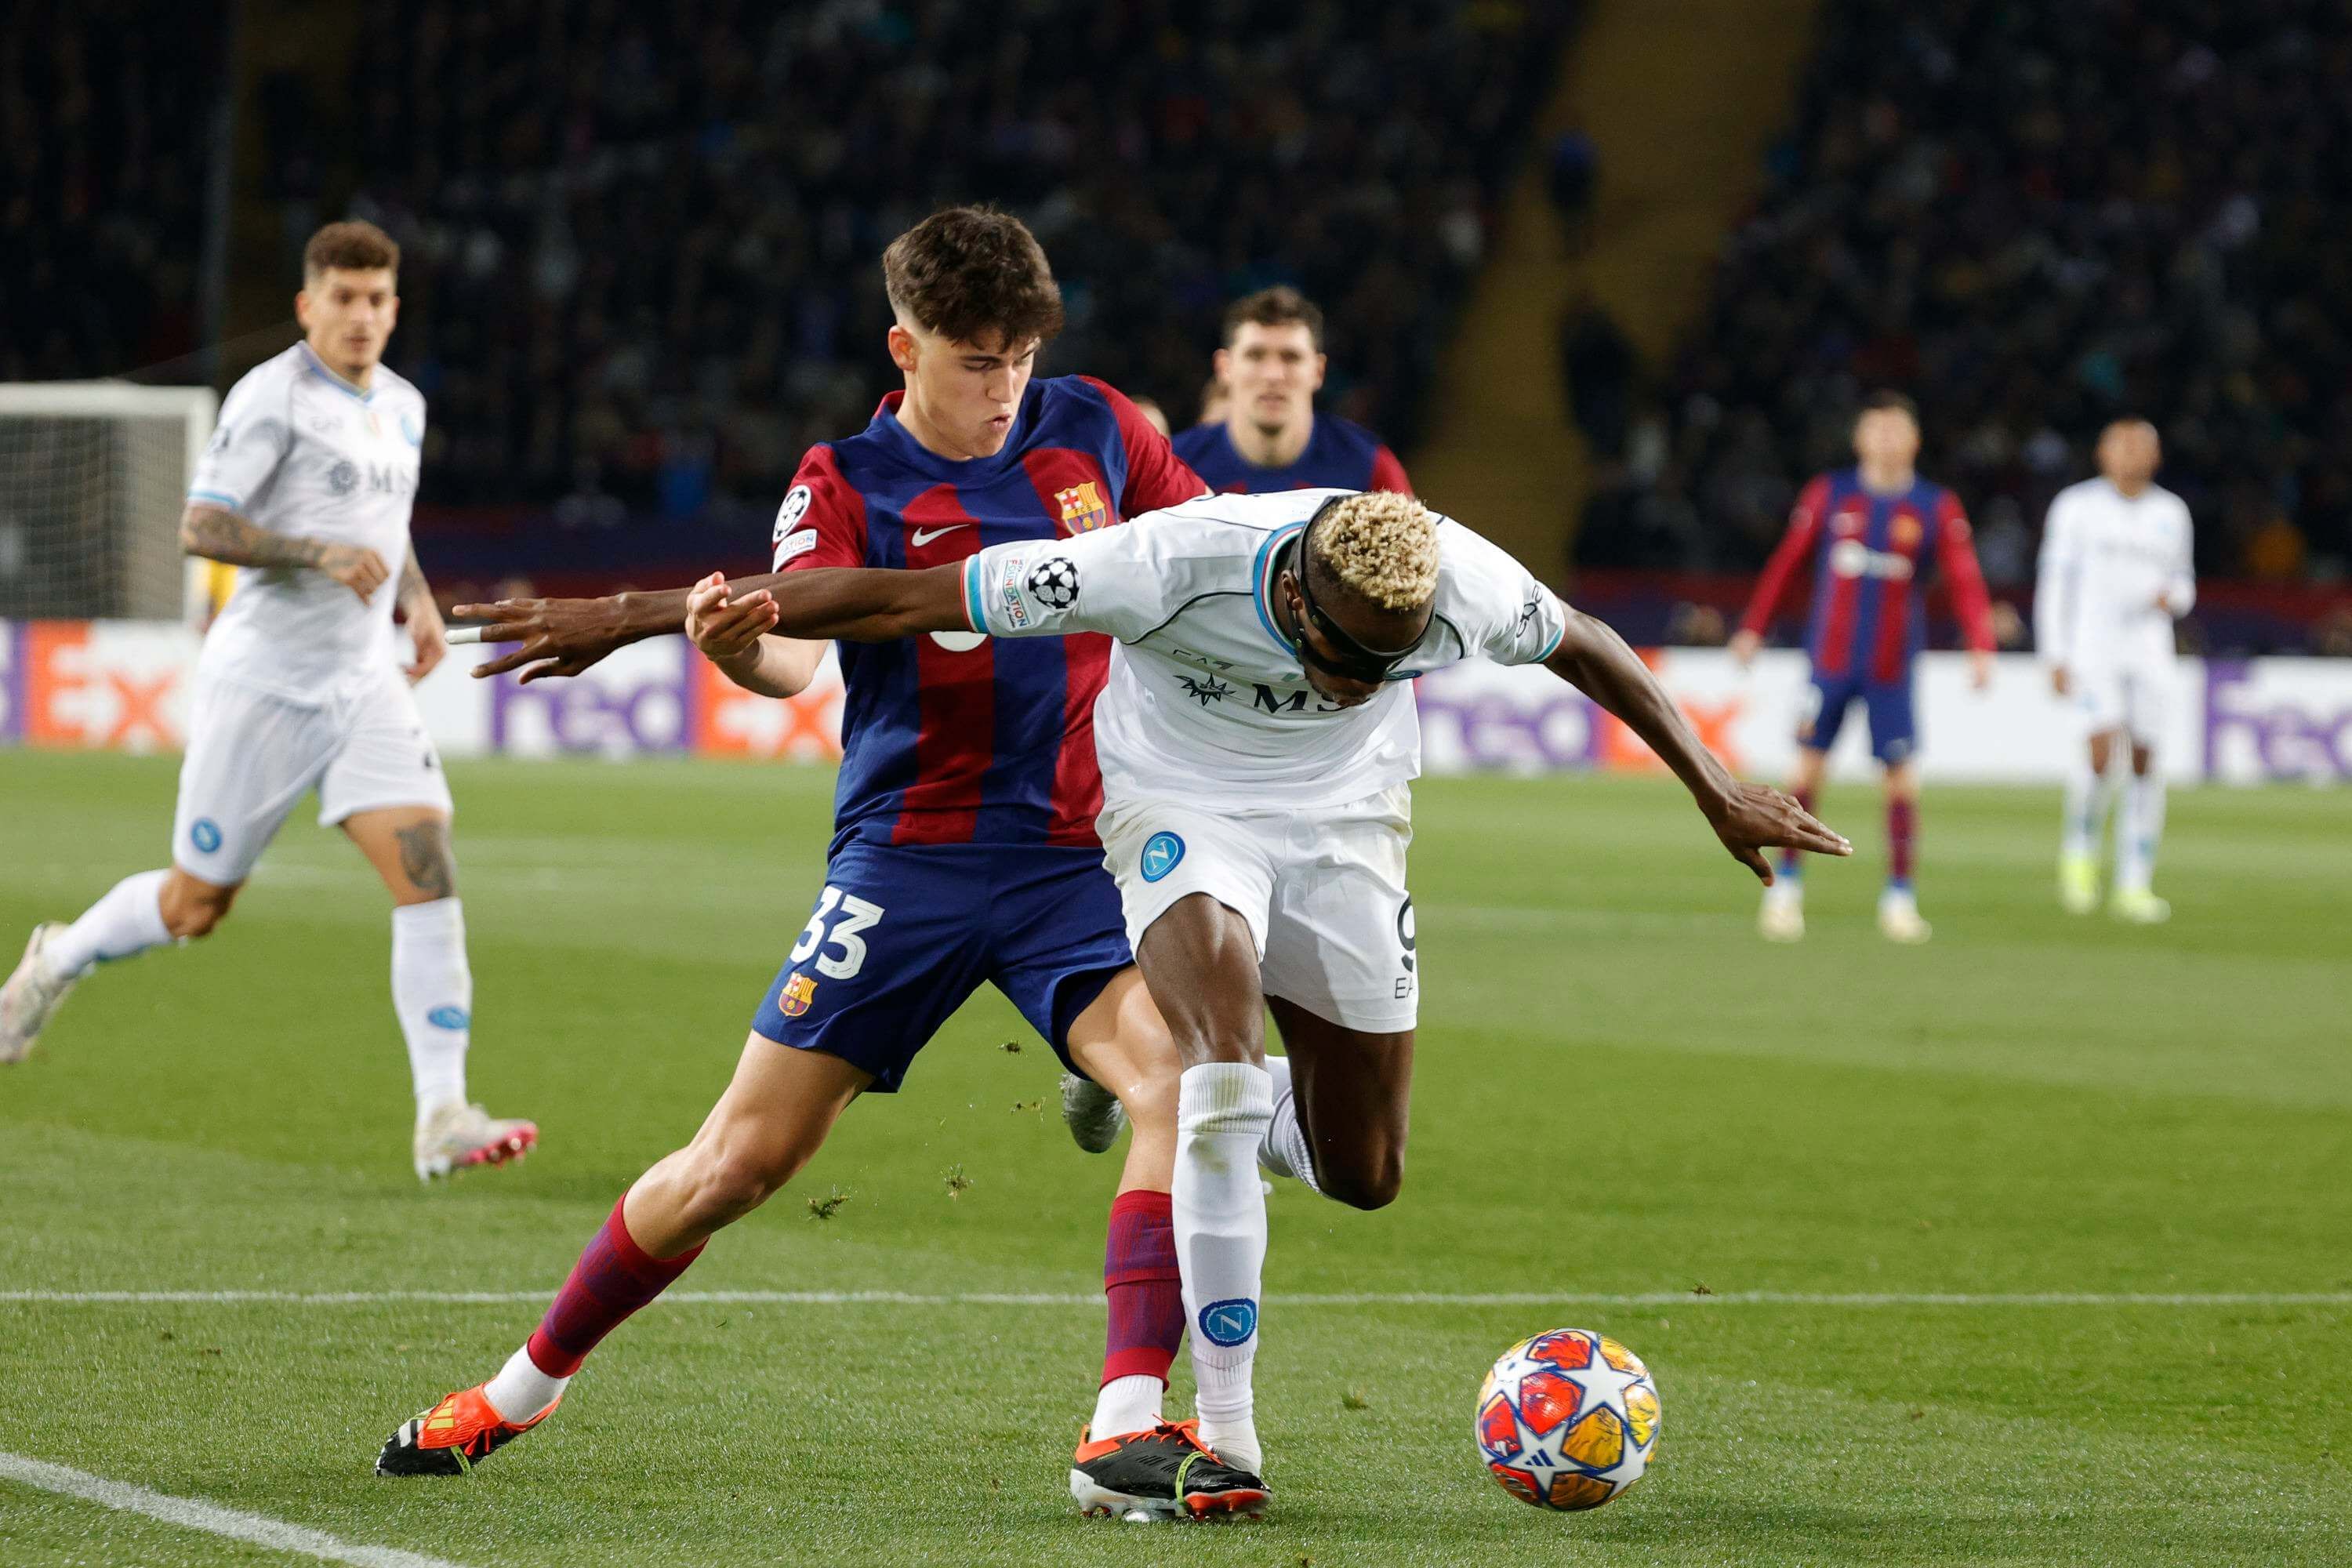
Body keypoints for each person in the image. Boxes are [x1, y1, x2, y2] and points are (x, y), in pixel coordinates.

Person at [669, 485, 1847, 1488]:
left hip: (1348, 831)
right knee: (1220, 1074)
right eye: (1340, 660)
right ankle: (1225, 1434)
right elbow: (905, 598)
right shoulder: (1168, 562)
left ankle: (1121, 1074)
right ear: (1291, 601)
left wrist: (1715, 789)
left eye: (1386, 666)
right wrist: (640, 616)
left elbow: (1584, 639)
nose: (1356, 681)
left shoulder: (1459, 582)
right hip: (1180, 808)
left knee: (1365, 1172)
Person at [375, 207, 1270, 1520]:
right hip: (904, 865)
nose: (1003, 385)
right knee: (736, 1165)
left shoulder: (1100, 429)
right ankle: (523, 1387)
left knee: (1185, 1084)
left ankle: (1125, 1423)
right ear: (902, 346)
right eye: (975, 359)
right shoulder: (842, 481)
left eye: (1019, 354)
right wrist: (724, 640)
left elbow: (1202, 559)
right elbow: (788, 657)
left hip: (1079, 860)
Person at [0, 220, 536, 1181]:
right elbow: (199, 525)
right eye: (343, 297)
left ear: (396, 306)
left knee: (428, 871)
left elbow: (385, 518)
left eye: (378, 299)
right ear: (307, 304)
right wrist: (316, 553)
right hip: (265, 687)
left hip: (361, 682)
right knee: (196, 903)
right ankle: (58, 957)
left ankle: (442, 1112)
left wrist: (411, 596)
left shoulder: (404, 406)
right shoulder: (272, 399)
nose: (362, 315)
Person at [1730, 392, 1993, 942]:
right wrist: (1755, 625)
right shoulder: (1831, 495)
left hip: (1891, 669)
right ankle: (1786, 893)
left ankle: (1899, 900)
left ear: (1915, 441)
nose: (1887, 441)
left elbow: (1964, 578)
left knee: (1899, 783)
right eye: (1877, 431)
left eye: (1897, 431)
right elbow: (1787, 562)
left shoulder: (1933, 506)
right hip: (1829, 663)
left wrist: (1981, 643)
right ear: (1860, 438)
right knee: (1804, 775)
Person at [2034, 419, 2194, 923]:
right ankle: (2079, 853)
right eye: (2121, 446)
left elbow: (2184, 581)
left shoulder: (2171, 512)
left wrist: (2177, 598)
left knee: (2146, 758)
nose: (2130, 455)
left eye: (2141, 447)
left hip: (2149, 649)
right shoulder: (2077, 507)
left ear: (2156, 455)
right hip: (2093, 648)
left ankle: (2134, 881)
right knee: (2102, 754)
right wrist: (2054, 653)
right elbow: (2055, 583)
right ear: (2103, 453)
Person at [1174, 288, 1414, 495]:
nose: (1273, 374)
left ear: (1318, 371)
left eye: (1291, 357)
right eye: (1255, 355)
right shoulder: (1176, 466)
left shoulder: (1369, 467)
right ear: (1224, 367)